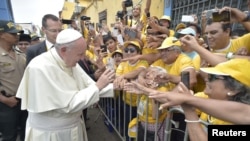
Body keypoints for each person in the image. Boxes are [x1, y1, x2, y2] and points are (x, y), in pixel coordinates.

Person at [16, 29, 116, 141]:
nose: (83, 58)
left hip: (73, 127)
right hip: (50, 134)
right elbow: (68, 105)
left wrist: (117, 87)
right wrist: (98, 86)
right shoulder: (39, 67)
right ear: (63, 50)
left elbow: (89, 85)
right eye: (80, 54)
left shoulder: (69, 61)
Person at [0, 20, 25, 141]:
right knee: (9, 136)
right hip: (6, 104)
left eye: (17, 34)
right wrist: (5, 99)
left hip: (24, 101)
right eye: (13, 34)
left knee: (27, 134)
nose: (17, 36)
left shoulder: (21, 55)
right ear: (1, 35)